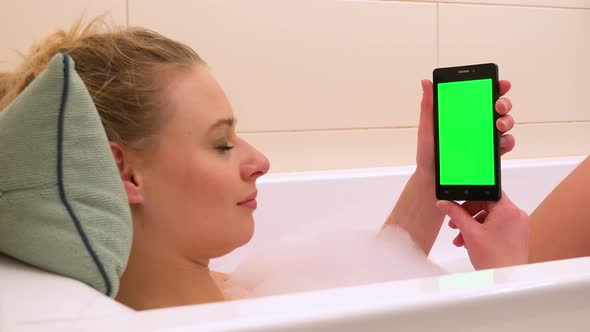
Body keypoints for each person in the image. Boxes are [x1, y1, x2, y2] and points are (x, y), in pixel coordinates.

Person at [0, 18, 527, 310]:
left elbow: (372, 277)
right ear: (126, 173)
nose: (260, 161)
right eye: (221, 144)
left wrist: (427, 173)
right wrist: (514, 289)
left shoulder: (217, 293)